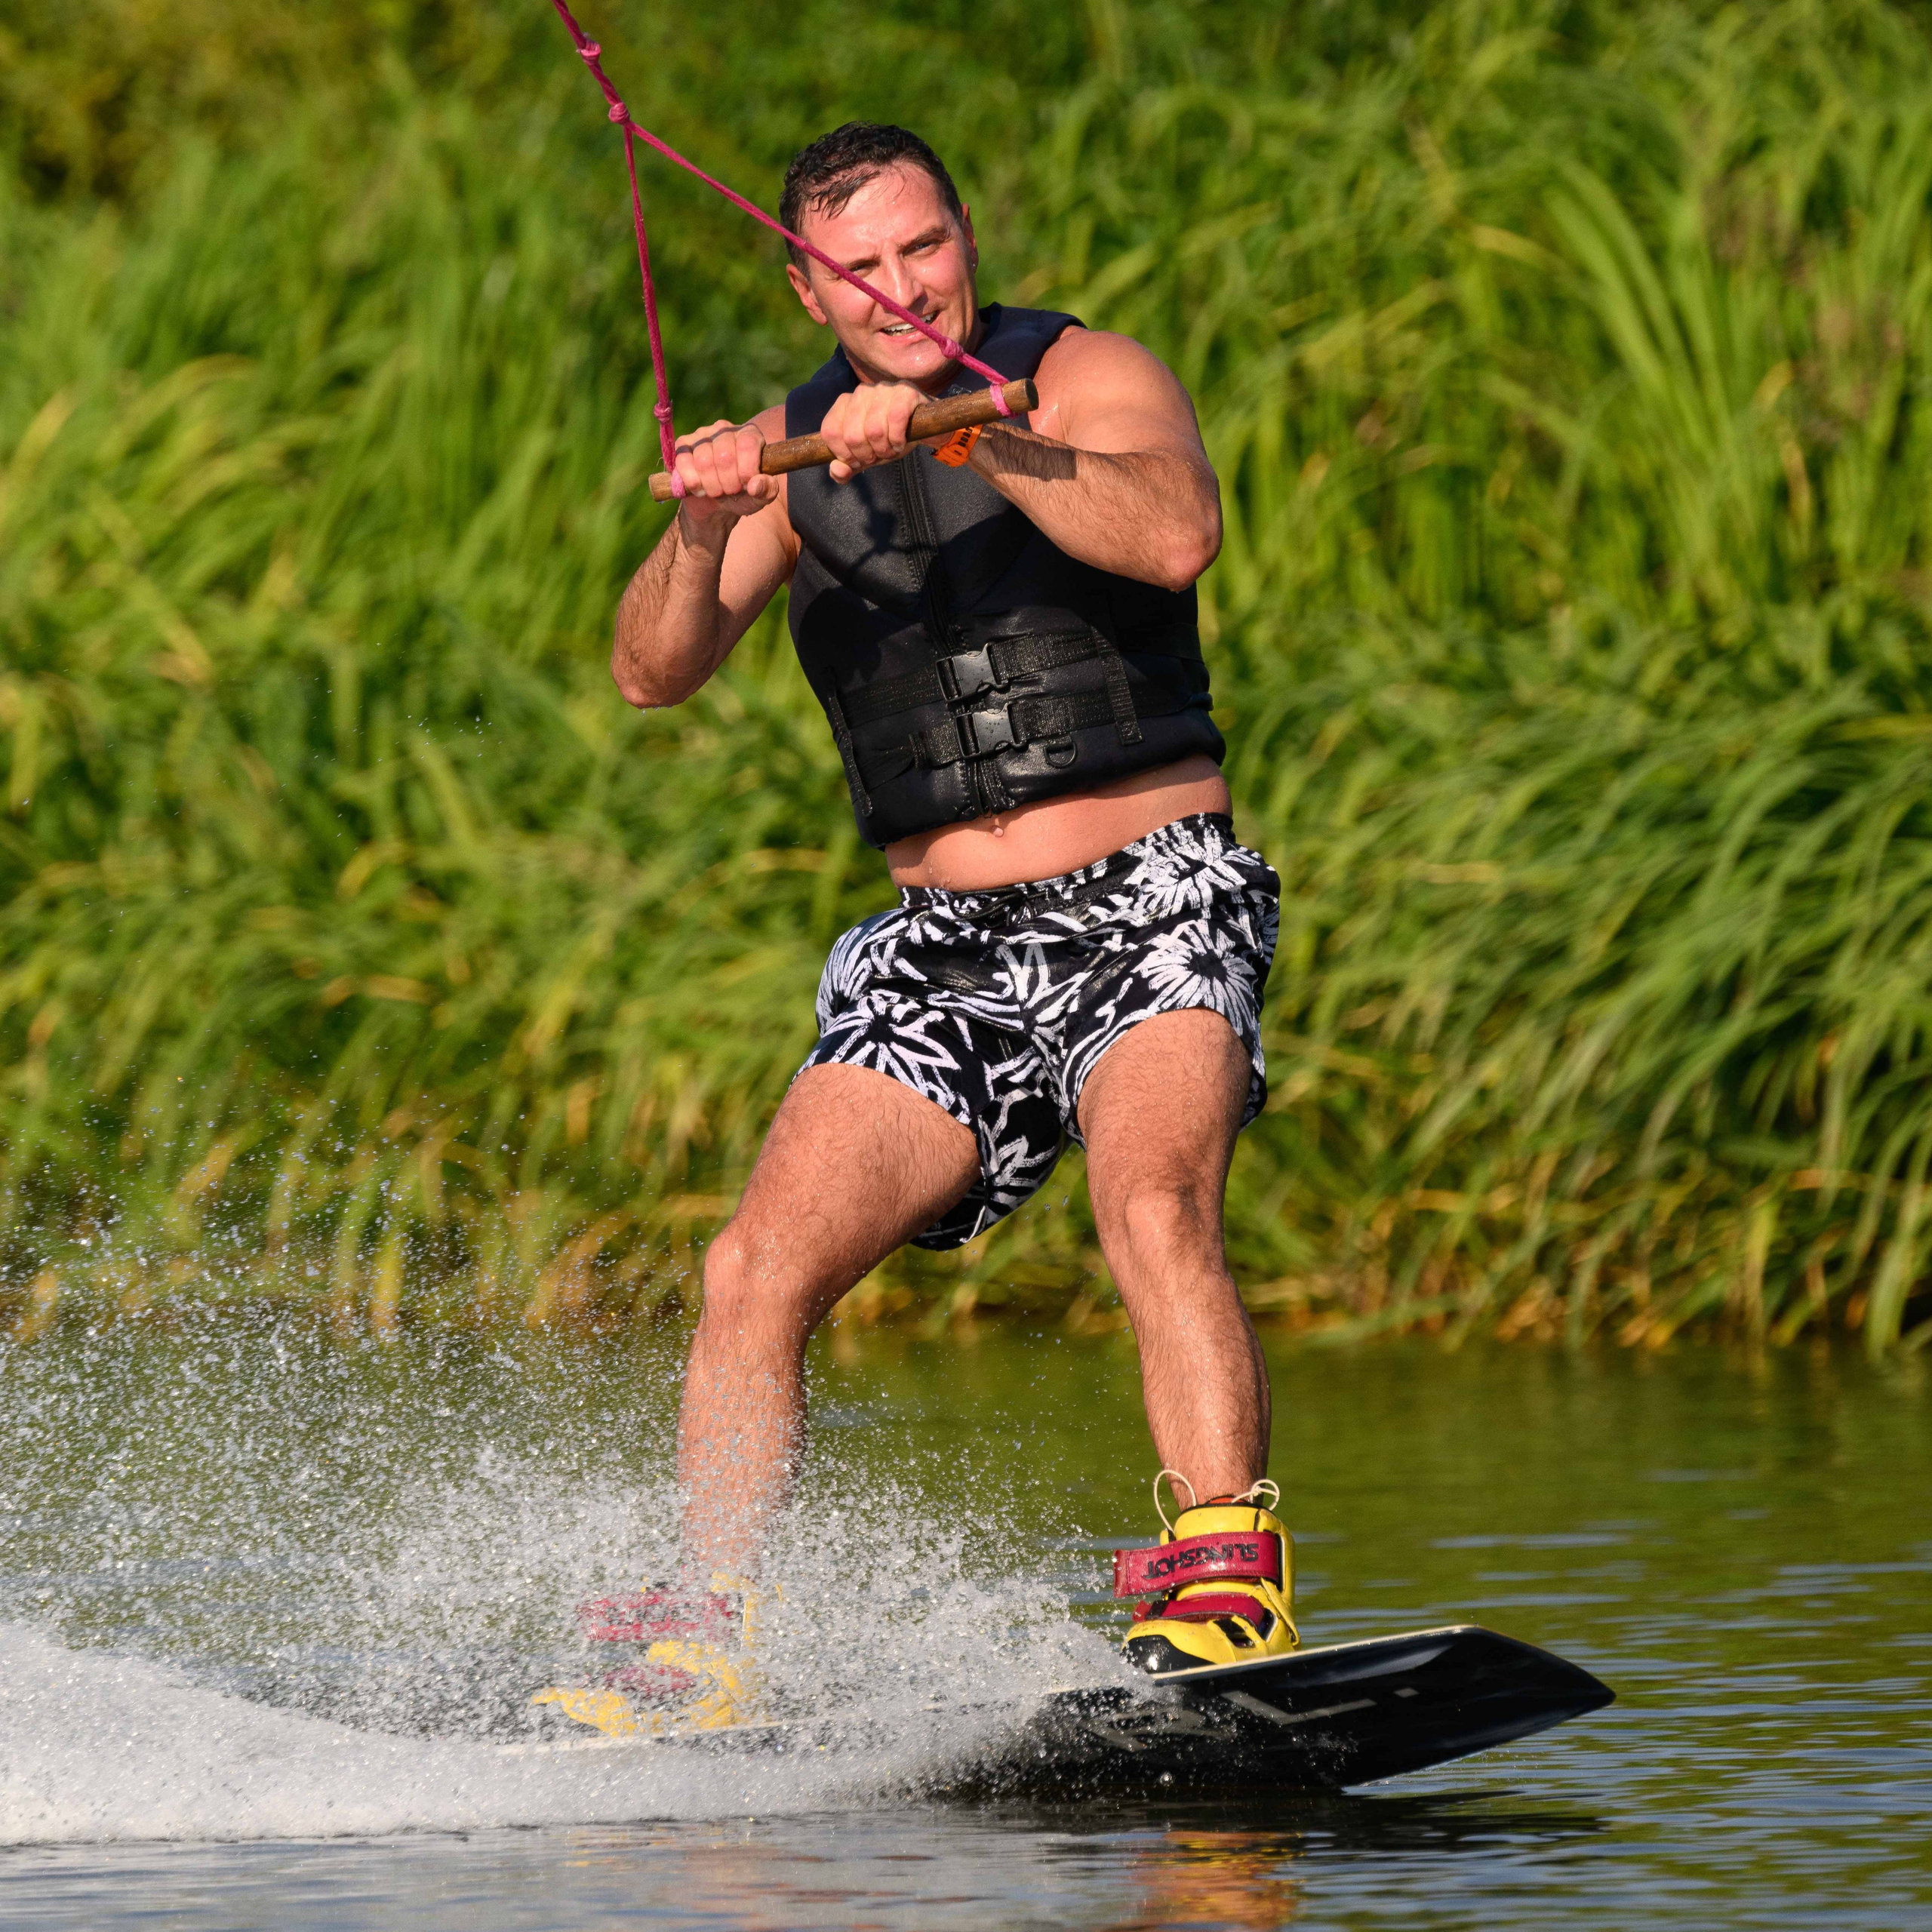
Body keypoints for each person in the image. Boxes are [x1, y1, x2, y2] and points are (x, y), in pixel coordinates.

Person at [541, 122, 1295, 1737]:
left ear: (964, 233)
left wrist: (970, 444)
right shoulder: (789, 450)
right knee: (750, 1267)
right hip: (944, 946)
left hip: (1149, 892)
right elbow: (648, 671)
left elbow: (1172, 535)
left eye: (923, 248)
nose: (902, 289)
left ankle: (1223, 1580)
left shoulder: (1077, 375)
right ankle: (707, 1649)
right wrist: (702, 519)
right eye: (860, 268)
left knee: (1151, 1198)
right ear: (803, 280)